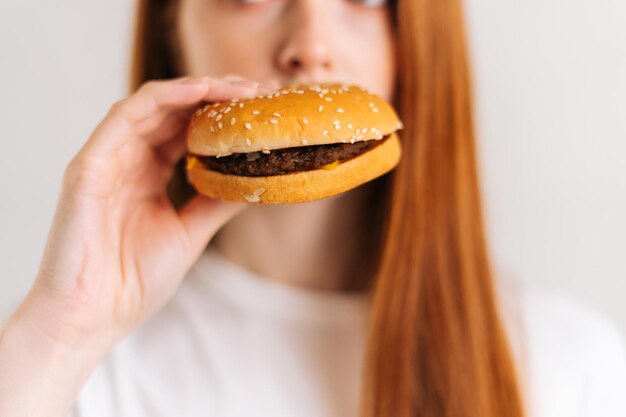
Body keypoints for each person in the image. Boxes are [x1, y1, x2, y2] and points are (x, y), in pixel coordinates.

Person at [1, 0, 625, 416]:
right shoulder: (79, 366)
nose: (311, 46)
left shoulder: (566, 365)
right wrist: (65, 329)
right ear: (172, 26)